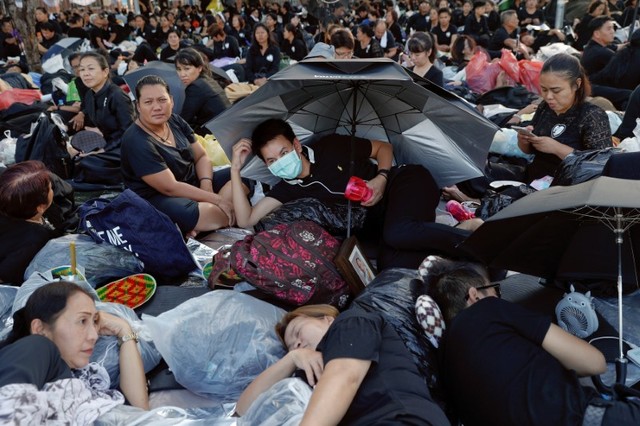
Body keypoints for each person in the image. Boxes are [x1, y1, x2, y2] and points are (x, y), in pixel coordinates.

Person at [230, 119, 481, 270]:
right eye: (272, 160)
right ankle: (460, 229)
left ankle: (479, 242)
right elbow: (246, 220)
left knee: (399, 232)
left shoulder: (329, 146)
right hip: (384, 223)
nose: (280, 163)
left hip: (404, 183)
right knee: (390, 265)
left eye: (284, 153)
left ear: (296, 145)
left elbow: (384, 148)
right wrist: (235, 169)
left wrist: (380, 179)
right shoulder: (288, 188)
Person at [425, 256, 640, 426]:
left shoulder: (445, 360)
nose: (498, 296)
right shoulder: (488, 308)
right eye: (494, 289)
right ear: (474, 295)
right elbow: (594, 362)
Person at [235, 304, 450, 425]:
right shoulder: (310, 370)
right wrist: (291, 359)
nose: (297, 344)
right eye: (292, 345)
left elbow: (345, 376)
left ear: (326, 318)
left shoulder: (352, 322)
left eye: (298, 332)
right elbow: (245, 410)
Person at [0, 281, 148, 410]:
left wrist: (124, 331)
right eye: (82, 321)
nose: (94, 335)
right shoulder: (36, 347)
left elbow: (139, 410)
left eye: (95, 321)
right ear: (40, 329)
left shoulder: (82, 374)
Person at [120, 75, 234, 237]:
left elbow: (201, 156)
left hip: (194, 185)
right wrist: (216, 199)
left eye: (162, 100)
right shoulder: (136, 140)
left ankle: (204, 225)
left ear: (171, 101)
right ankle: (224, 212)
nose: (157, 107)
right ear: (138, 106)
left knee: (239, 176)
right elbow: (170, 187)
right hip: (161, 198)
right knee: (190, 212)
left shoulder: (174, 120)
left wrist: (207, 186)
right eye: (148, 102)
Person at [517, 53, 612, 182]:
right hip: (535, 179)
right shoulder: (545, 108)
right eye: (544, 90)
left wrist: (557, 148)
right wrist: (524, 141)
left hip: (568, 188)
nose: (549, 96)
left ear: (576, 85)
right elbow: (530, 152)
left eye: (556, 91)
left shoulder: (593, 116)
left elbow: (600, 165)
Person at [0, 161, 58, 285]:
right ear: (40, 207)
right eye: (50, 188)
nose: (53, 190)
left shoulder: (9, 202)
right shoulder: (35, 239)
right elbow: (4, 276)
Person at [77, 51, 134, 152]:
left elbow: (129, 133)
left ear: (105, 72)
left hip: (126, 147)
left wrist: (103, 150)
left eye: (91, 68)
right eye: (82, 69)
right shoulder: (89, 95)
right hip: (107, 142)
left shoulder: (117, 95)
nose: (85, 73)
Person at [175, 48, 231, 135]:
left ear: (199, 68)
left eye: (187, 69)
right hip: (226, 127)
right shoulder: (207, 80)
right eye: (179, 69)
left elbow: (183, 119)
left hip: (217, 135)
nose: (182, 74)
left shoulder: (196, 87)